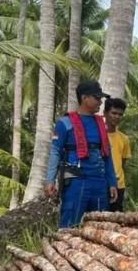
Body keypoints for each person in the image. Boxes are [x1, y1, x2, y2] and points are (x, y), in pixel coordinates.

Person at [44, 80, 118, 227]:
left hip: (100, 183)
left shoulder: (101, 125)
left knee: (100, 227)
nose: (100, 102)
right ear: (84, 98)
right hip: (76, 182)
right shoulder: (65, 123)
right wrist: (50, 180)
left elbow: (107, 155)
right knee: (69, 226)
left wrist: (112, 183)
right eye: (97, 98)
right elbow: (55, 151)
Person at [104, 98, 132, 212]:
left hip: (119, 185)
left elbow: (123, 164)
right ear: (105, 113)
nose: (117, 117)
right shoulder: (97, 136)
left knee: (115, 218)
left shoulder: (124, 139)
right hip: (101, 183)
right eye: (114, 113)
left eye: (120, 114)